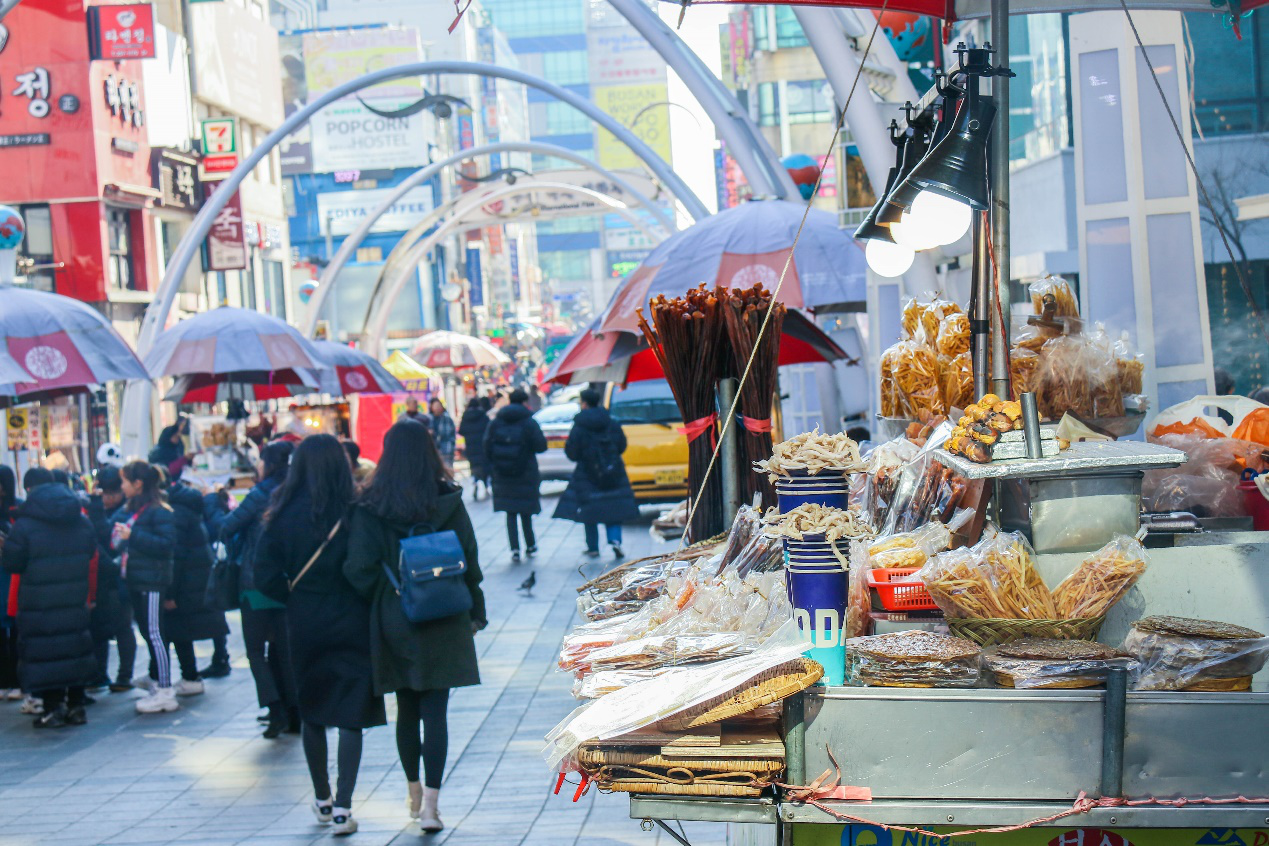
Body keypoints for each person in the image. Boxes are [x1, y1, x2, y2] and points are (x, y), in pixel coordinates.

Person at [343, 420, 486, 834]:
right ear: (429, 451)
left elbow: (358, 567)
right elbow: (470, 561)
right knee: (436, 711)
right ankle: (433, 808)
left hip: (396, 616)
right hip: (445, 615)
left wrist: (387, 595)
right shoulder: (447, 500)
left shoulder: (370, 506)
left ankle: (413, 792)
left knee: (406, 708)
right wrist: (476, 610)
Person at [257, 435, 386, 836]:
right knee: (352, 713)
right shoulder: (357, 508)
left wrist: (291, 593)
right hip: (352, 617)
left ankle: (322, 798)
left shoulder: (281, 512)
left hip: (305, 619)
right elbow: (372, 563)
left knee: (312, 709)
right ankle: (345, 807)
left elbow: (262, 575)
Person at [0, 468, 98, 728]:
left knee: (47, 653)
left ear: (31, 491)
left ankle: (53, 708)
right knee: (74, 649)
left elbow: (13, 563)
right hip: (74, 598)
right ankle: (77, 706)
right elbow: (91, 551)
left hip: (38, 602)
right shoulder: (80, 519)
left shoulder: (25, 525)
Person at [219, 440, 299, 738]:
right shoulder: (296, 492)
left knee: (256, 650)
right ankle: (294, 711)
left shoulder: (259, 494)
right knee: (283, 650)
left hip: (255, 583)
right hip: (288, 582)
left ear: (268, 464)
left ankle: (274, 708)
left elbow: (226, 527)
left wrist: (216, 507)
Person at [112, 461, 179, 714]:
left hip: (153, 580)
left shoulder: (160, 510)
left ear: (138, 484)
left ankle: (164, 689)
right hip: (138, 578)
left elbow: (166, 545)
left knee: (155, 633)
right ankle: (157, 683)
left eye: (125, 481)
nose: (122, 487)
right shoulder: (135, 509)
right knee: (148, 631)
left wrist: (133, 536)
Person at [554, 388, 638, 559]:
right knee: (612, 506)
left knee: (589, 509)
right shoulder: (611, 421)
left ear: (584, 403)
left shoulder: (579, 426)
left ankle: (593, 547)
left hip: (587, 473)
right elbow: (621, 444)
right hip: (613, 471)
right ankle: (615, 541)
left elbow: (572, 453)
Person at [165, 480, 229, 697]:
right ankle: (221, 658)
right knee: (212, 616)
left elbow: (177, 554)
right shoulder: (189, 507)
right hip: (202, 572)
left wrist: (170, 592)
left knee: (180, 626)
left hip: (187, 579)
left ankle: (190, 675)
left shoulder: (176, 514)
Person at [86, 466, 135, 693]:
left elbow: (108, 540)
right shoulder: (98, 509)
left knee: (122, 626)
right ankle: (99, 674)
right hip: (101, 579)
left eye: (109, 493)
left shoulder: (126, 511)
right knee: (99, 628)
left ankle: (124, 676)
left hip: (118, 579)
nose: (106, 498)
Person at [484, 388, 547, 563]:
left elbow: (486, 446)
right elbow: (541, 446)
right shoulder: (529, 421)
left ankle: (514, 549)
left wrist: (498, 463)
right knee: (525, 510)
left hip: (503, 474)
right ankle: (531, 545)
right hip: (525, 472)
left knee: (510, 512)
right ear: (524, 402)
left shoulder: (496, 422)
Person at [0, 465, 22, 701]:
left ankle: (16, 680)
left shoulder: (18, 509)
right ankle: (3, 680)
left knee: (16, 629)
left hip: (12, 575)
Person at [458, 397, 492, 501]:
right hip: (482, 446)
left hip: (471, 447)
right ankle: (486, 486)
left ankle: (475, 482)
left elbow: (461, 431)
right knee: (484, 467)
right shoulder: (483, 416)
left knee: (474, 467)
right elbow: (489, 429)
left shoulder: (466, 416)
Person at [428, 398, 457, 469]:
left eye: (438, 406)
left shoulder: (447, 419)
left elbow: (452, 435)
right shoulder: (428, 419)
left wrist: (451, 447)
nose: (437, 408)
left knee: (447, 472)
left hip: (446, 451)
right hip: (432, 452)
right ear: (431, 407)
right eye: (435, 406)